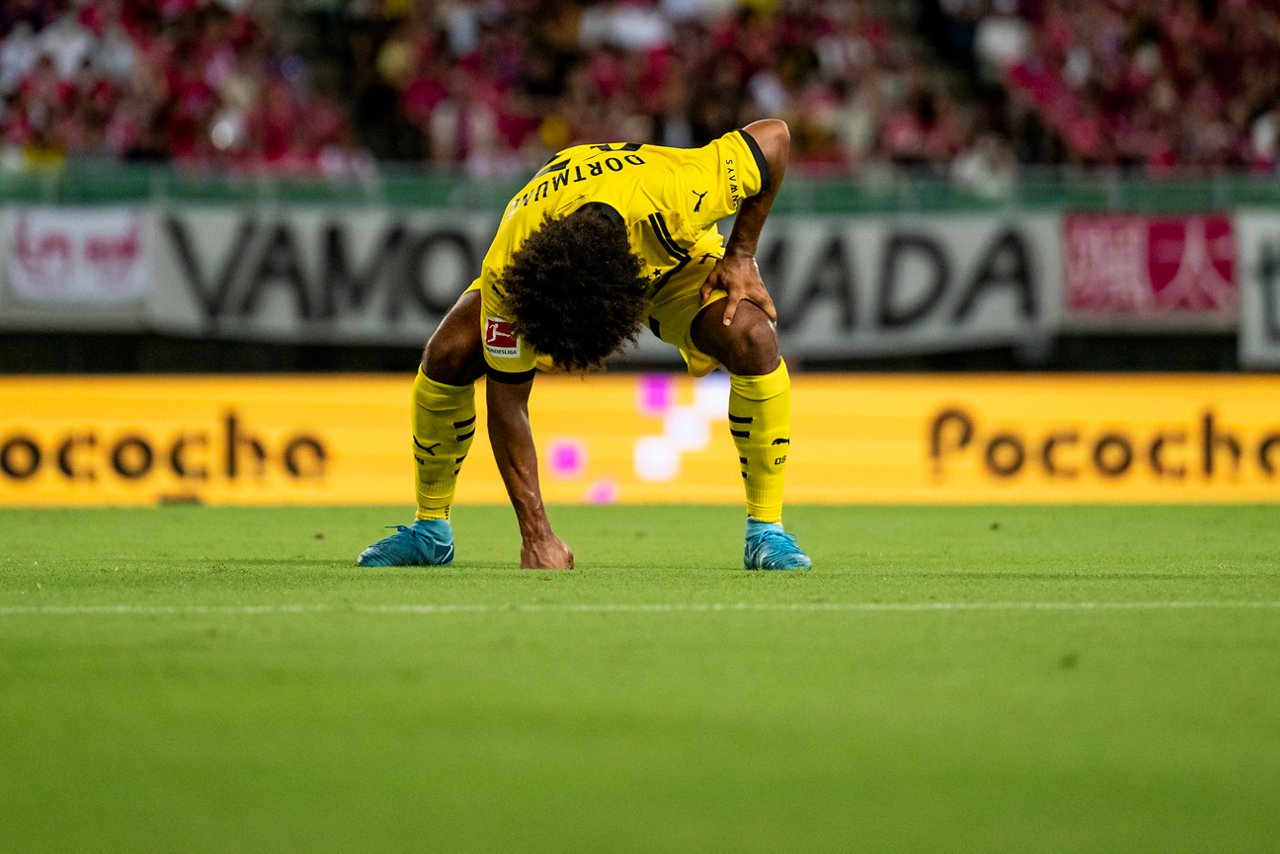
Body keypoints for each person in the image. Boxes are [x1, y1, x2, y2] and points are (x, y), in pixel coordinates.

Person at [357, 118, 812, 571]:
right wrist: (537, 536)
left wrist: (741, 253)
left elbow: (775, 137)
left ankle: (765, 531)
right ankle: (430, 530)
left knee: (753, 334)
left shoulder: (680, 190)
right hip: (559, 257)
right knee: (448, 352)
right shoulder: (511, 271)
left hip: (676, 264)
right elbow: (507, 403)